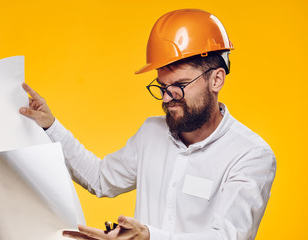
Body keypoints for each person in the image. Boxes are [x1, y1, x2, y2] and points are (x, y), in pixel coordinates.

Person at [19, 9, 276, 240]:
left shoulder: (251, 155)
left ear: (216, 80)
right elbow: (100, 178)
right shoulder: (151, 133)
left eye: (180, 86)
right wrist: (50, 127)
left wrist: (149, 237)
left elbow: (228, 237)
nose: (166, 98)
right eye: (162, 87)